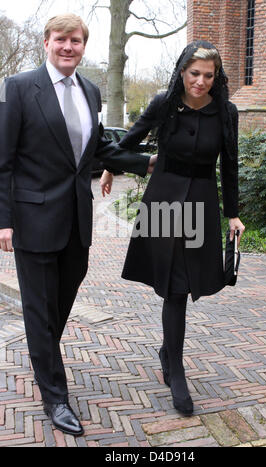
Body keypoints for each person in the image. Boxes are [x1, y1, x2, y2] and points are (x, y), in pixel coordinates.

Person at [0, 13, 155, 436]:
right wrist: (4, 221)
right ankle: (55, 396)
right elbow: (3, 161)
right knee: (38, 307)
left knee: (59, 302)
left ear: (83, 47)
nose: (69, 47)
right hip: (32, 218)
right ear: (46, 43)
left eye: (76, 41)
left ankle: (42, 354)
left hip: (76, 218)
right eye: (61, 40)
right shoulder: (18, 88)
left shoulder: (89, 89)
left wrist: (146, 162)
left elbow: (99, 147)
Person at [100, 40, 245, 415]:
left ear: (217, 77)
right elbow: (125, 143)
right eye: (194, 73)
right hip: (162, 201)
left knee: (182, 284)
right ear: (182, 71)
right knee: (173, 286)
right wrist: (113, 167)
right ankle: (176, 370)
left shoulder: (226, 112)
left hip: (200, 203)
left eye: (208, 75)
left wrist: (233, 213)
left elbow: (229, 165)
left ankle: (169, 353)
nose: (200, 81)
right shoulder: (165, 103)